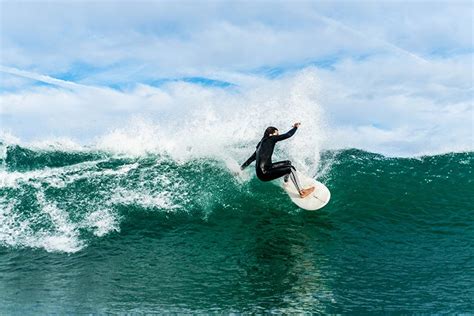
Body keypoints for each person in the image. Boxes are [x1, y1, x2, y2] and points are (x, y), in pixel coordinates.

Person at [240, 122, 315, 198]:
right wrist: (295, 127)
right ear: (271, 134)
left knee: (288, 163)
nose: (278, 135)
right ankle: (302, 192)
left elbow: (250, 159)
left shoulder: (260, 145)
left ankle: (286, 182)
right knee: (290, 168)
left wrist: (240, 169)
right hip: (264, 173)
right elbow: (288, 135)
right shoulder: (271, 138)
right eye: (277, 134)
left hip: (265, 170)